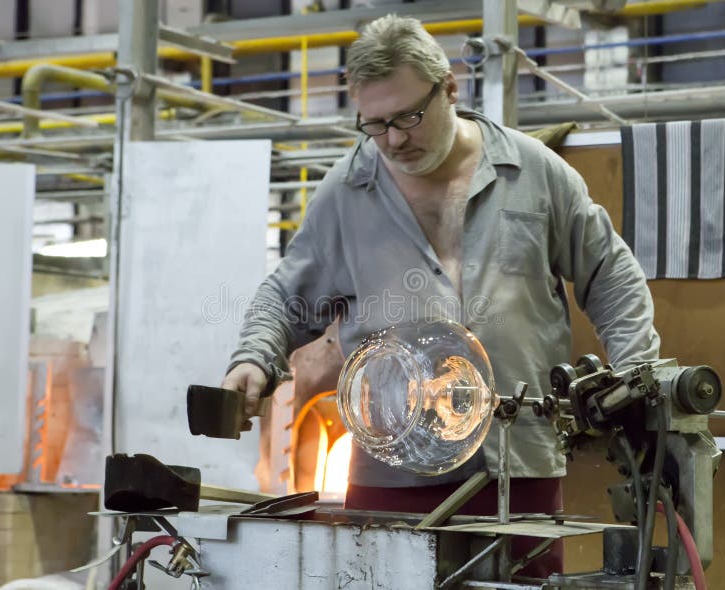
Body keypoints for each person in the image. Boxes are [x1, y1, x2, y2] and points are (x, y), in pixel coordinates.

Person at [222, 14, 659, 578]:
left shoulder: (534, 174)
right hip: (393, 470)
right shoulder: (344, 194)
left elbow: (612, 275)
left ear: (450, 87)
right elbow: (286, 296)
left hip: (516, 460)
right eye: (374, 125)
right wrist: (253, 358)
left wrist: (636, 377)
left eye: (407, 116)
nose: (394, 139)